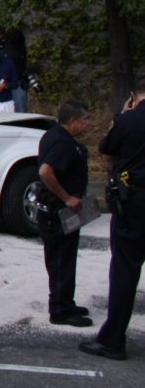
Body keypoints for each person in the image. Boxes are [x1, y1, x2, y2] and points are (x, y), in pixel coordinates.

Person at [80, 82, 145, 361]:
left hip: (135, 204)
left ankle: (113, 340)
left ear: (134, 97)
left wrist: (120, 117)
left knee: (124, 272)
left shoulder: (128, 120)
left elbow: (107, 153)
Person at [36, 100, 93, 327]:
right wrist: (67, 197)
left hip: (61, 210)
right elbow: (45, 171)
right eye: (84, 120)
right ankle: (60, 310)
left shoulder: (56, 136)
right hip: (57, 212)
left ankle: (66, 302)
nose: (87, 124)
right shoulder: (61, 142)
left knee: (65, 259)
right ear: (73, 121)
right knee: (60, 260)